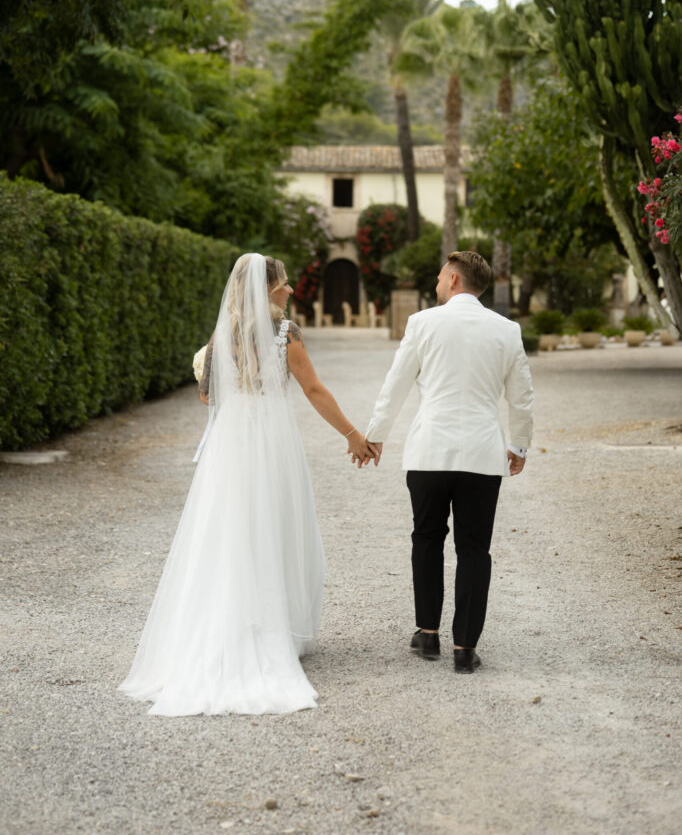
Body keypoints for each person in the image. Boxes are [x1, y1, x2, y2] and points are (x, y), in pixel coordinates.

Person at [119, 252, 372, 715]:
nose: (290, 290)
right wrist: (353, 434)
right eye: (284, 284)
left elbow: (206, 396)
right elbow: (313, 389)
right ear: (266, 288)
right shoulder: (285, 332)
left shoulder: (222, 335)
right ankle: (270, 629)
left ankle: (227, 624)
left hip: (231, 443)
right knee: (273, 524)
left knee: (228, 528)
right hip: (271, 440)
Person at [362, 251, 534, 674]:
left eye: (441, 277)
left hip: (429, 452)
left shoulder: (422, 323)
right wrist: (519, 446)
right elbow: (522, 397)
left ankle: (428, 634)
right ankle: (464, 648)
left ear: (454, 279)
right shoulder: (507, 330)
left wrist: (376, 434)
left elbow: (396, 383)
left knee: (426, 538)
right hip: (482, 455)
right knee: (474, 548)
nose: (437, 284)